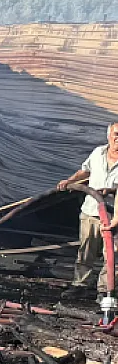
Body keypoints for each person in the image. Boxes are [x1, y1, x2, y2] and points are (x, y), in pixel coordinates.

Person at [56, 120, 118, 288]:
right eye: (116, 135)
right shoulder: (98, 153)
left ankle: (106, 291)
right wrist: (69, 181)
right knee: (86, 253)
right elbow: (85, 171)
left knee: (112, 256)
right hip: (90, 211)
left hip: (113, 216)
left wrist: (111, 191)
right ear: (109, 136)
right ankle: (80, 286)